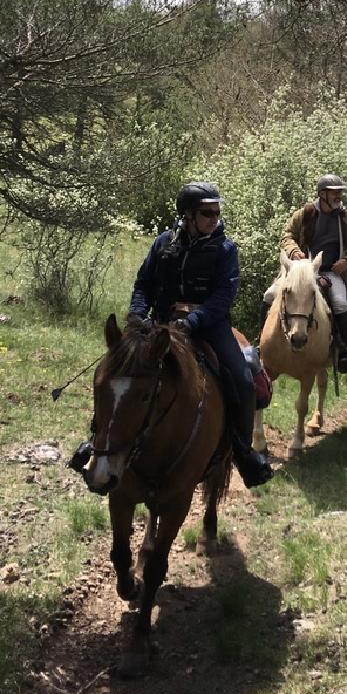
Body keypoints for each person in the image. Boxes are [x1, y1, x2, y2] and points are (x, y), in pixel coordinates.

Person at [71, 182, 272, 488]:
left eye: (217, 212)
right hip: (161, 324)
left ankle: (244, 455)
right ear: (188, 215)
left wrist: (192, 321)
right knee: (117, 374)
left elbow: (223, 297)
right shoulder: (163, 243)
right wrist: (138, 315)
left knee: (242, 380)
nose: (214, 218)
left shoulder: (226, 250)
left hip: (209, 326)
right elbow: (143, 284)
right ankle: (95, 442)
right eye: (207, 212)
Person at [262, 174, 347, 374]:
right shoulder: (304, 213)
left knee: (341, 302)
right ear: (322, 194)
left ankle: (342, 350)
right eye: (335, 192)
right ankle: (261, 344)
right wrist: (293, 251)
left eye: (340, 192)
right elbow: (287, 234)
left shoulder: (346, 218)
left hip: (330, 271)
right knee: (269, 295)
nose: (339, 196)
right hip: (300, 270)